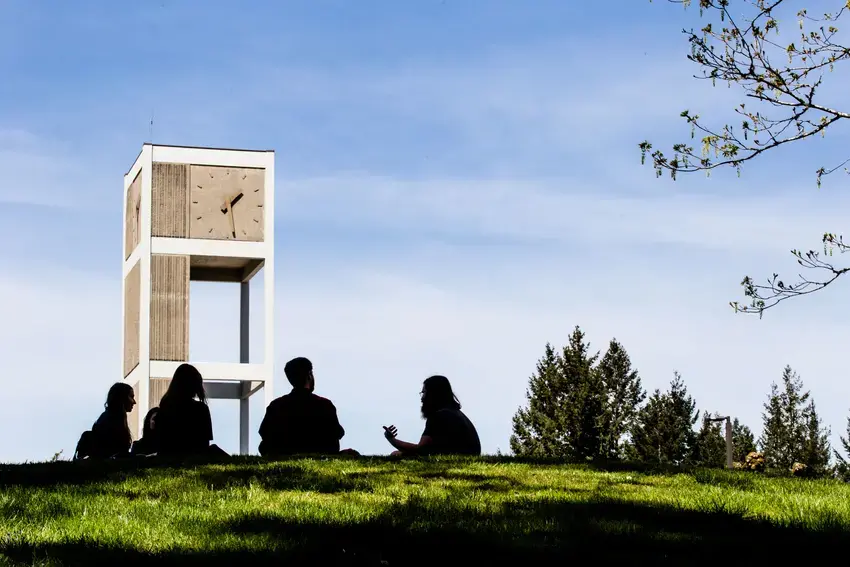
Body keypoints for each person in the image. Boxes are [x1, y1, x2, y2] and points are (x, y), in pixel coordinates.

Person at [258, 357, 351, 457]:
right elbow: (337, 433)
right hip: (320, 454)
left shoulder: (276, 406)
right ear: (309, 375)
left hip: (283, 454)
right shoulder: (324, 405)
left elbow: (265, 434)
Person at [383, 375, 481, 457]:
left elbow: (421, 449)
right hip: (463, 457)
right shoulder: (456, 414)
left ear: (433, 394)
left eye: (424, 392)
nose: (422, 398)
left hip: (453, 460)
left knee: (395, 455)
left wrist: (392, 440)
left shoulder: (439, 416)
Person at [155, 363, 226, 458]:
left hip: (169, 458)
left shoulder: (164, 409)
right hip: (194, 458)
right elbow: (204, 443)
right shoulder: (200, 409)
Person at [89, 382, 136, 459]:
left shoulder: (109, 418)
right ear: (122, 397)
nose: (134, 402)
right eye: (131, 397)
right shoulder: (110, 420)